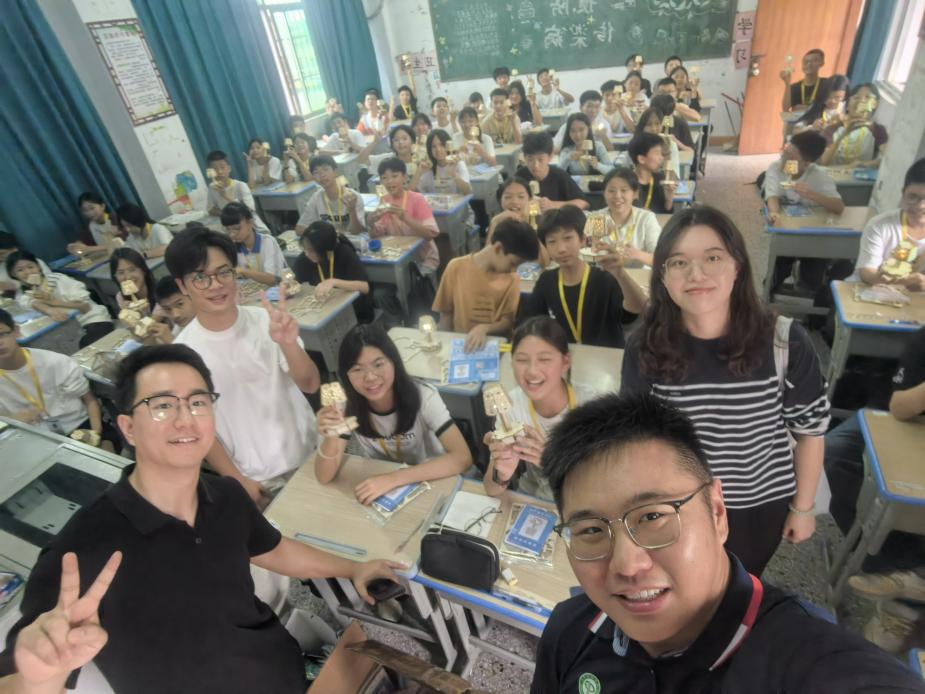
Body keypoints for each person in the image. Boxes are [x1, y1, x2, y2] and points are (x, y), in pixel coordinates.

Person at [0, 344, 402, 694]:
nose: (185, 419)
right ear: (128, 428)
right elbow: (23, 673)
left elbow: (275, 550)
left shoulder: (225, 496)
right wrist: (39, 679)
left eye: (198, 402)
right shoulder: (83, 548)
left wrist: (354, 567)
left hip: (281, 673)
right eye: (162, 405)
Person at [530, 391, 924, 693]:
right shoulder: (570, 630)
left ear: (717, 512)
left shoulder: (806, 660)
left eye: (652, 517)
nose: (627, 565)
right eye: (591, 530)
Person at [620, 206, 830, 576]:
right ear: (663, 277)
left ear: (738, 267)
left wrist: (803, 507)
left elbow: (810, 431)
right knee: (686, 581)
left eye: (713, 258)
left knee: (743, 581)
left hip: (760, 502)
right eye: (678, 262)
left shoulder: (784, 341)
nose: (696, 274)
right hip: (681, 504)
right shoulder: (645, 347)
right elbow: (638, 439)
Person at [166, 227, 321, 503]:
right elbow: (200, 429)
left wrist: (288, 344)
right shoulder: (182, 355)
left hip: (309, 452)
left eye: (223, 272)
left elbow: (311, 384)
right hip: (256, 477)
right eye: (200, 277)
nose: (215, 285)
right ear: (182, 285)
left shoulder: (265, 321)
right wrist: (236, 480)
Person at [314, 324, 472, 504]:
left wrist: (393, 479)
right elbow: (323, 476)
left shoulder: (424, 396)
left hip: (430, 477)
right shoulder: (345, 406)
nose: (370, 377)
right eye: (357, 369)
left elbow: (462, 458)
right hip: (383, 486)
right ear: (346, 375)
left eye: (378, 364)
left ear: (394, 362)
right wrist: (332, 435)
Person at [482, 317, 596, 501]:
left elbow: (604, 485)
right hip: (533, 498)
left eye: (544, 359)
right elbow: (491, 489)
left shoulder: (591, 408)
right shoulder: (510, 407)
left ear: (565, 362)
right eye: (521, 360)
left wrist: (553, 462)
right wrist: (502, 473)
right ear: (511, 362)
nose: (532, 371)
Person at [522, 205, 644, 349]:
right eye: (552, 242)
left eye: (568, 238)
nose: (561, 249)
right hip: (564, 355)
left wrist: (621, 274)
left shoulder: (605, 278)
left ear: (582, 239)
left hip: (605, 357)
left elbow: (635, 311)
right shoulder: (546, 281)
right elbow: (532, 324)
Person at [0, 308, 115, 449]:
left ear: (16, 331)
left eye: (2, 334)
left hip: (79, 425)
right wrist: (13, 420)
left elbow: (90, 400)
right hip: (35, 438)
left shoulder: (55, 362)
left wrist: (95, 433)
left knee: (107, 448)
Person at [433, 217, 538, 351]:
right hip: (462, 344)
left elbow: (507, 321)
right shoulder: (456, 267)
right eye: (513, 263)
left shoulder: (512, 279)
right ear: (498, 248)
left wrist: (484, 328)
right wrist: (447, 346)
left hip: (494, 346)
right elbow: (445, 314)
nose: (514, 270)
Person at [6, 251, 114, 348]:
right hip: (68, 330)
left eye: (30, 267)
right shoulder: (24, 294)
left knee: (83, 348)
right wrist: (49, 310)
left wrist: (54, 302)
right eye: (20, 270)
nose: (28, 272)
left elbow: (85, 307)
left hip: (93, 321)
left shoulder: (58, 279)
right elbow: (33, 303)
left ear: (38, 266)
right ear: (13, 274)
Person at [851, 158, 925, 292]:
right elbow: (867, 272)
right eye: (913, 197)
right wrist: (900, 281)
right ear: (903, 193)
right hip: (870, 293)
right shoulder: (881, 225)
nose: (920, 206)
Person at [368, 156, 440, 278]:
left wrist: (405, 217)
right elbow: (378, 235)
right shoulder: (384, 200)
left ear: (404, 177)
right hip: (398, 256)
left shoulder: (417, 199)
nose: (389, 181)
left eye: (394, 176)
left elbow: (431, 234)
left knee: (411, 280)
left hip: (422, 257)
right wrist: (371, 224)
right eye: (384, 178)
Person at [293, 220, 374, 323]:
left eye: (311, 250)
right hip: (325, 309)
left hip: (353, 311)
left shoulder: (344, 253)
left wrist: (334, 282)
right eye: (304, 249)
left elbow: (365, 287)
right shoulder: (306, 257)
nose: (306, 254)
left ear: (325, 249)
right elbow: (293, 279)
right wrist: (288, 284)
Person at [585, 167, 663, 268]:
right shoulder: (596, 218)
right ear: (604, 193)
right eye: (611, 191)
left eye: (624, 190)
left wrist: (636, 254)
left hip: (638, 276)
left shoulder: (646, 218)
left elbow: (660, 259)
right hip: (605, 274)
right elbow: (588, 256)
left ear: (635, 194)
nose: (617, 196)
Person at [764, 130, 844, 226]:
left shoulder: (819, 176)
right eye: (785, 153)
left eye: (791, 158)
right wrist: (774, 213)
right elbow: (772, 196)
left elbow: (839, 207)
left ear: (807, 163)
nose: (784, 160)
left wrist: (811, 195)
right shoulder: (775, 167)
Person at [109, 248, 173, 344]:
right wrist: (128, 317)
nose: (128, 277)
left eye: (132, 270)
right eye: (121, 273)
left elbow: (147, 329)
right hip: (149, 342)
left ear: (143, 270)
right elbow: (136, 335)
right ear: (115, 277)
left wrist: (137, 315)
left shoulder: (161, 292)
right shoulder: (121, 297)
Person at [515, 131, 588, 211]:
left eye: (540, 159)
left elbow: (583, 203)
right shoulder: (519, 177)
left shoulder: (559, 176)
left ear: (550, 156)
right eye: (530, 159)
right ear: (524, 157)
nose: (535, 165)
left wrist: (553, 204)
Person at [820, 83, 889, 168]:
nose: (862, 101)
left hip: (860, 176)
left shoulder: (877, 130)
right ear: (847, 105)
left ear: (875, 104)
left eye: (868, 97)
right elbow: (823, 162)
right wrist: (844, 134)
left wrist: (864, 164)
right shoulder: (831, 129)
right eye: (856, 97)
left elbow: (889, 158)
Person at [294, 155, 365, 236]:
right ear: (314, 178)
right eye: (316, 172)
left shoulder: (353, 197)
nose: (322, 175)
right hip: (327, 241)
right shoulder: (316, 198)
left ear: (335, 171)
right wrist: (328, 232)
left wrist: (352, 210)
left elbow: (357, 232)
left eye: (325, 169)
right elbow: (299, 228)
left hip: (350, 242)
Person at [486, 177, 549, 266]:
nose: (514, 201)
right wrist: (494, 222)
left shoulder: (539, 221)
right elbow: (488, 262)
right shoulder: (498, 223)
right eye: (508, 197)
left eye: (521, 197)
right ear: (500, 201)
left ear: (530, 199)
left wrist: (530, 227)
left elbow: (545, 262)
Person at [204, 150, 270, 232]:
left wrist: (225, 195)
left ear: (229, 168)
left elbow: (248, 211)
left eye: (222, 167)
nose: (219, 172)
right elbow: (210, 209)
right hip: (231, 228)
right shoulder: (212, 187)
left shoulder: (241, 186)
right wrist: (227, 216)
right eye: (215, 169)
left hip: (252, 227)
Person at [628, 132, 675, 213]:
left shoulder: (660, 179)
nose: (661, 157)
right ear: (641, 159)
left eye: (661, 153)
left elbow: (666, 214)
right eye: (657, 153)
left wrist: (669, 199)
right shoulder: (627, 182)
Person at [414, 129, 472, 196]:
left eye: (441, 145)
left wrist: (454, 174)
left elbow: (468, 191)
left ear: (449, 146)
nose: (438, 149)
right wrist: (418, 172)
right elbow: (416, 192)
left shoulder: (458, 164)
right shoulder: (428, 167)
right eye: (433, 146)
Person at [634, 106, 685, 181]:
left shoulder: (671, 145)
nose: (654, 129)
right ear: (642, 127)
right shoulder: (636, 144)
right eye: (649, 125)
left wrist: (666, 154)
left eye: (657, 124)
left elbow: (674, 179)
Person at [68, 192, 121, 257]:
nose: (89, 213)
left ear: (102, 206)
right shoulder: (90, 228)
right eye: (85, 210)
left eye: (92, 208)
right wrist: (76, 246)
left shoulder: (116, 219)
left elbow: (120, 244)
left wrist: (89, 249)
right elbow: (82, 242)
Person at [781, 48, 828, 113]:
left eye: (814, 60)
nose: (809, 64)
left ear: (822, 63)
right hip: (799, 120)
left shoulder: (827, 84)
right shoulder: (795, 87)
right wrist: (787, 84)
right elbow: (785, 109)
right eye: (805, 62)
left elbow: (831, 107)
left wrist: (806, 108)